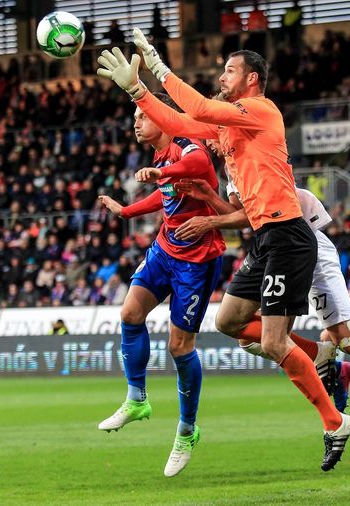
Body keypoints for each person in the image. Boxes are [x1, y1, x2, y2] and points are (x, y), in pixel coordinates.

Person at [96, 42, 350, 471]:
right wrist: (136, 92)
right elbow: (179, 120)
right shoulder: (229, 131)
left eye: (229, 71)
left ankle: (334, 421)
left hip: (290, 235)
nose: (222, 77)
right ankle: (318, 356)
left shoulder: (262, 110)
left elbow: (197, 105)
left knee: (272, 341)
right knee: (229, 321)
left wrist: (158, 68)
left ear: (251, 79)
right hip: (265, 240)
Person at [96, 94, 225, 478]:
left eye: (142, 116)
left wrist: (163, 174)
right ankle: (137, 399)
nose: (137, 122)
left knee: (179, 346)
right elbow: (165, 195)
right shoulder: (161, 156)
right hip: (165, 249)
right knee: (129, 313)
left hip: (197, 261)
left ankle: (187, 430)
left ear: (163, 120)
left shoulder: (186, 144)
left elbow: (199, 163)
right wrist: (127, 210)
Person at [173, 138, 350, 386]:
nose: (209, 142)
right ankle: (323, 359)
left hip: (306, 244)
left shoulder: (256, 154)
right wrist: (209, 195)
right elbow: (239, 215)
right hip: (277, 251)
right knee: (251, 338)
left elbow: (255, 215)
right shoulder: (231, 171)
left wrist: (208, 222)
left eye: (213, 135)